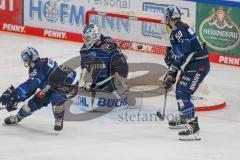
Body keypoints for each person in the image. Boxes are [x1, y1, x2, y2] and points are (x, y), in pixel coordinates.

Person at [0, 47, 78, 131]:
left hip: (61, 85)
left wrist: (16, 93)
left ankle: (59, 118)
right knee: (30, 106)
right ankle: (18, 117)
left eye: (26, 59)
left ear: (32, 58)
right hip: (47, 89)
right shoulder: (36, 66)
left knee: (56, 97)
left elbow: (34, 82)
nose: (25, 62)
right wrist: (18, 99)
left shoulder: (41, 65)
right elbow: (32, 89)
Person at [163, 6, 210, 140]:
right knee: (180, 89)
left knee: (182, 93)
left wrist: (172, 56)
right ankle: (185, 118)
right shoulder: (181, 27)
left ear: (168, 18)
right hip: (195, 64)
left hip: (198, 65)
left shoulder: (178, 29)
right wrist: (172, 71)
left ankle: (193, 129)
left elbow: (184, 47)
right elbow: (183, 54)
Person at [79, 24, 128, 96]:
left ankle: (121, 87)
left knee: (102, 93)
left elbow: (119, 63)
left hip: (112, 77)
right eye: (85, 38)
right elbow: (84, 66)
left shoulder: (108, 42)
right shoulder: (84, 48)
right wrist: (83, 80)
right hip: (98, 78)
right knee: (82, 89)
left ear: (94, 35)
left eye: (88, 38)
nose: (86, 40)